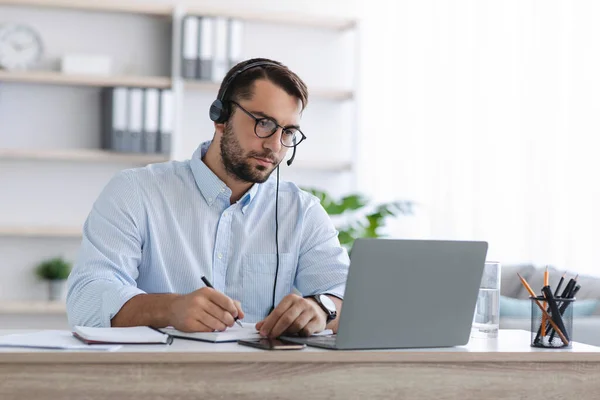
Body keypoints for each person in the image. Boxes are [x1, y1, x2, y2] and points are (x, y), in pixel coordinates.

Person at [66, 58, 349, 339]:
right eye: (264, 124)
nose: (274, 146)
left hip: (261, 379)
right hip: (157, 377)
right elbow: (87, 299)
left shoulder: (301, 211)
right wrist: (170, 309)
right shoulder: (135, 191)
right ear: (221, 117)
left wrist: (322, 308)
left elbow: (349, 296)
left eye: (287, 132)